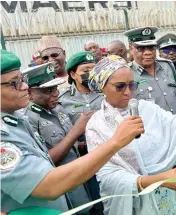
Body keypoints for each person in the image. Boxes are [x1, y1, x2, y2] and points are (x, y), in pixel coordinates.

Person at [0, 49, 142, 213]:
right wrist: (115, 142)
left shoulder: (17, 121)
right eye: (14, 82)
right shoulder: (5, 133)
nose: (25, 86)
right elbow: (49, 185)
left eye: (22, 79)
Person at [85, 55, 176, 215]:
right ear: (103, 87)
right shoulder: (96, 125)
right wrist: (157, 181)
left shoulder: (146, 108)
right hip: (129, 203)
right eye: (120, 86)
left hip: (164, 197)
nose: (128, 92)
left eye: (132, 85)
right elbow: (108, 176)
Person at [23, 62, 94, 214]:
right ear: (29, 93)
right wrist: (75, 132)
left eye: (55, 88)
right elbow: (46, 159)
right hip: (62, 196)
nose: (55, 93)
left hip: (80, 186)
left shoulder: (58, 108)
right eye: (48, 90)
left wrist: (84, 145)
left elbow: (70, 147)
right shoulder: (28, 119)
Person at [59, 51, 104, 213]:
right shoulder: (62, 99)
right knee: (92, 202)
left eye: (93, 69)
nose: (90, 74)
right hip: (82, 160)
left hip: (107, 156)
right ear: (73, 74)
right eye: (85, 70)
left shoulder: (104, 91)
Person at [124, 27, 176, 115]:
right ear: (131, 48)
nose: (148, 52)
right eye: (141, 48)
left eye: (151, 47)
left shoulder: (167, 65)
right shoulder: (127, 73)